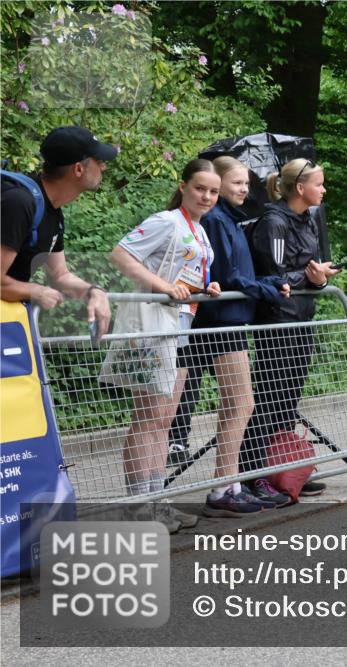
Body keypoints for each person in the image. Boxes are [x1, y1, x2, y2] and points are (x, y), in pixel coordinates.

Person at [168, 156, 292, 516]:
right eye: (237, 183)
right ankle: (224, 487)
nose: (245, 189)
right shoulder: (219, 222)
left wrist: (269, 283)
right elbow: (226, 277)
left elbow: (237, 274)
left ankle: (231, 483)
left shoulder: (230, 222)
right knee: (238, 404)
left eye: (247, 183)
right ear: (218, 183)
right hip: (220, 322)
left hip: (228, 320)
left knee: (236, 404)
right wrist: (267, 290)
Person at [108, 158, 222, 532]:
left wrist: (205, 287)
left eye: (213, 191)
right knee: (148, 417)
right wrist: (161, 287)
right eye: (200, 188)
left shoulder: (200, 231)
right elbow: (121, 255)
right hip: (154, 326)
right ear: (184, 186)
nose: (206, 196)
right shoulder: (166, 220)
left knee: (163, 419)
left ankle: (157, 503)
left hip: (180, 325)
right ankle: (138, 508)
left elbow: (184, 275)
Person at [240, 158, 339, 503]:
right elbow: (274, 276)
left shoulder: (309, 219)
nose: (324, 190)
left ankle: (286, 468)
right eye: (319, 184)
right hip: (277, 321)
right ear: (300, 188)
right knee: (269, 399)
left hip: (302, 319)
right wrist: (308, 277)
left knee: (288, 401)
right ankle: (252, 476)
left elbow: (309, 268)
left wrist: (321, 275)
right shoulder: (273, 222)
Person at [2, 126, 113, 338]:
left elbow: (60, 275)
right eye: (99, 161)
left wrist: (94, 291)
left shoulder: (51, 211)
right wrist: (34, 290)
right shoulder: (19, 204)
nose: (104, 167)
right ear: (78, 169)